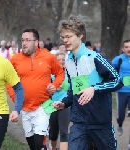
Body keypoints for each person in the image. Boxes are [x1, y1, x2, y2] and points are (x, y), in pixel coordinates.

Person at [53, 15, 123, 150]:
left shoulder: (95, 57)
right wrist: (65, 102)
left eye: (69, 36)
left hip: (100, 125)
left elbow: (117, 81)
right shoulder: (68, 61)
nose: (65, 40)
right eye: (63, 37)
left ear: (80, 35)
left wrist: (94, 88)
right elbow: (73, 90)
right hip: (79, 124)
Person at [7, 28, 64, 150]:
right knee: (32, 144)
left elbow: (60, 73)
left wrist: (54, 85)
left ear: (36, 42)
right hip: (25, 108)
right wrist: (15, 98)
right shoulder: (15, 60)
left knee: (39, 143)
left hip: (42, 106)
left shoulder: (48, 57)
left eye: (28, 40)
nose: (24, 43)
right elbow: (7, 80)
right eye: (22, 40)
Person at [48, 52, 70, 150]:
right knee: (53, 133)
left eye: (63, 60)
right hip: (52, 106)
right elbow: (44, 90)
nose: (61, 61)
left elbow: (72, 89)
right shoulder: (50, 74)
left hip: (65, 105)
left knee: (64, 132)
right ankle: (53, 148)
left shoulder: (68, 73)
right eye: (59, 60)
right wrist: (53, 87)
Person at [112, 39, 130, 136]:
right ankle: (119, 124)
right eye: (126, 47)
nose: (128, 49)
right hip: (122, 90)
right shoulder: (118, 59)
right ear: (123, 49)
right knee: (121, 115)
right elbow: (110, 69)